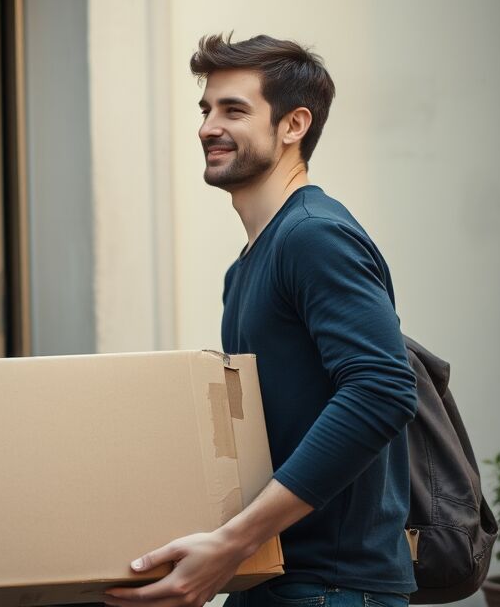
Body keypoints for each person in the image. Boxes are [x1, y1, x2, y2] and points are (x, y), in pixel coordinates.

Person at [103, 34, 417, 607]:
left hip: (333, 586)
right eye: (205, 109)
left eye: (233, 110)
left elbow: (383, 389)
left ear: (293, 125)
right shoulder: (247, 266)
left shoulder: (313, 236)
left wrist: (233, 540)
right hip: (271, 575)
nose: (206, 127)